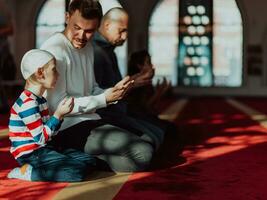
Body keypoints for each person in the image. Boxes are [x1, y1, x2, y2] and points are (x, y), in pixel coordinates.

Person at [41, 0, 154, 172]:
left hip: (89, 120)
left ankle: (75, 158)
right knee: (143, 154)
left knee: (148, 142)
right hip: (63, 128)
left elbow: (92, 89)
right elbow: (58, 106)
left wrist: (113, 92)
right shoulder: (55, 48)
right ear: (67, 17)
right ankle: (63, 153)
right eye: (77, 28)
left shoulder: (88, 48)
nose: (81, 36)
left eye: (89, 31)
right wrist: (103, 99)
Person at [7, 49, 97, 182]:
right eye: (54, 70)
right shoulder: (28, 103)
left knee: (91, 162)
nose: (58, 75)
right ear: (40, 73)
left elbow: (49, 135)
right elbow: (41, 138)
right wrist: (58, 114)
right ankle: (27, 172)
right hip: (31, 153)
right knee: (76, 172)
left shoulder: (39, 99)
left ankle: (53, 166)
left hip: (44, 147)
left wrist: (58, 117)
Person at [92, 7, 165, 153]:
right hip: (106, 116)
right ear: (107, 25)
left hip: (119, 112)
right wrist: (134, 83)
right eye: (121, 30)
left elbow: (114, 84)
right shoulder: (96, 52)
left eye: (126, 31)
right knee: (150, 143)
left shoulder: (107, 51)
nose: (125, 36)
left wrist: (136, 79)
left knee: (159, 135)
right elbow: (100, 95)